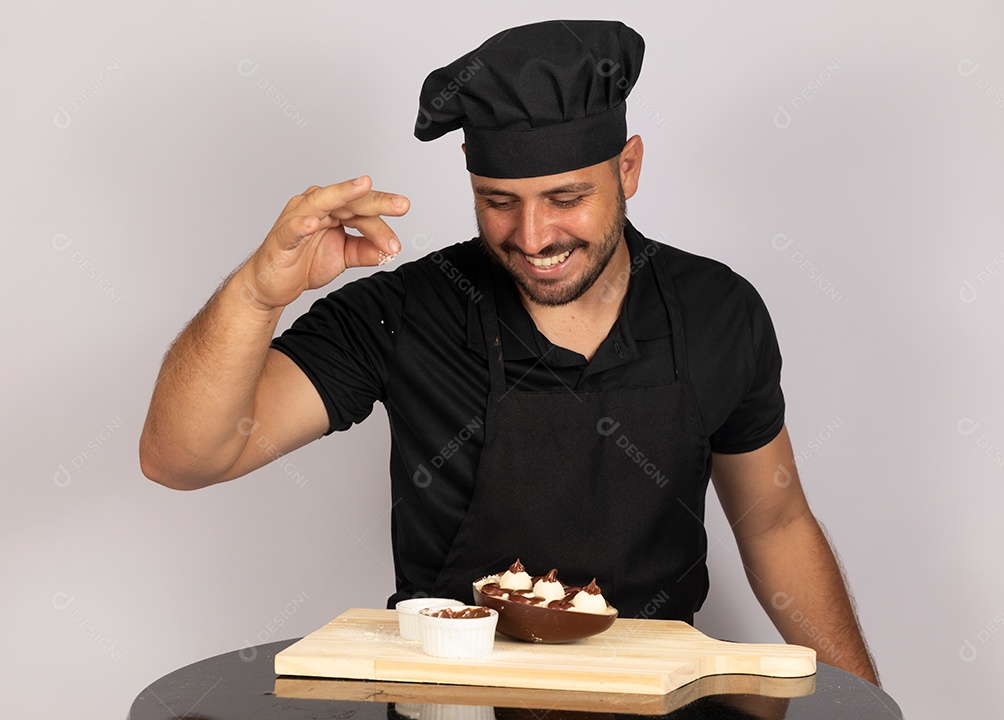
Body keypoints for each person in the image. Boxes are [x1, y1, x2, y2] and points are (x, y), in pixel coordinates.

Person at [140, 19, 879, 684]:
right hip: (452, 702)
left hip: (659, 699)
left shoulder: (719, 312)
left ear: (627, 169)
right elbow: (183, 458)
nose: (532, 238)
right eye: (499, 202)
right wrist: (257, 295)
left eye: (564, 199)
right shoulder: (407, 313)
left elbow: (776, 524)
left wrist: (864, 706)